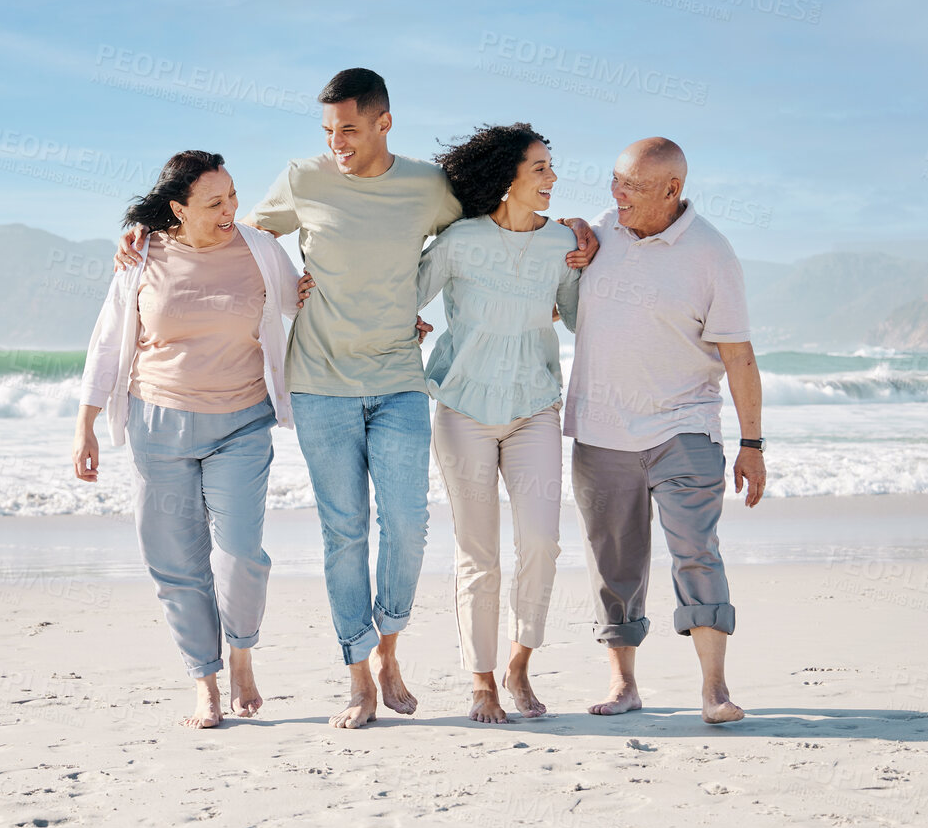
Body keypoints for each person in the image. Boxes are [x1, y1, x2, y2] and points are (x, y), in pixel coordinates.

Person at [117, 69, 598, 729]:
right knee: (343, 534)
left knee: (406, 526)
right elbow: (235, 234)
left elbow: (498, 221)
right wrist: (150, 236)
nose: (336, 142)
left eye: (347, 127)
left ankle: (389, 649)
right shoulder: (304, 178)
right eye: (327, 130)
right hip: (320, 384)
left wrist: (567, 226)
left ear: (382, 123)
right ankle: (357, 677)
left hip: (399, 379)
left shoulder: (426, 188)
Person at [74, 150, 302, 729]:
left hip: (242, 423)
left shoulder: (259, 249)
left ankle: (242, 653)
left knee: (241, 553)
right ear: (178, 208)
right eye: (215, 203)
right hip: (158, 425)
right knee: (175, 564)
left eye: (232, 197)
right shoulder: (141, 255)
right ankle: (205, 680)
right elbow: (107, 340)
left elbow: (305, 303)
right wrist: (86, 423)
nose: (231, 211)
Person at [564, 137, 765, 725]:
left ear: (672, 190)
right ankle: (624, 684)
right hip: (601, 431)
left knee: (696, 553)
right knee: (614, 565)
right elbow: (553, 292)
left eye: (632, 185)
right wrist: (570, 228)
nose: (616, 193)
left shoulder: (711, 254)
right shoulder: (603, 228)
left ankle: (714, 688)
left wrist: (752, 444)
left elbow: (739, 356)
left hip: (684, 427)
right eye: (615, 180)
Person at [419, 124, 580, 723]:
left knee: (541, 541)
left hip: (535, 406)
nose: (552, 178)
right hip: (463, 408)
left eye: (550, 166)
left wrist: (596, 254)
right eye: (539, 168)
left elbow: (582, 316)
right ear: (505, 178)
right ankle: (482, 681)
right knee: (477, 552)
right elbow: (403, 293)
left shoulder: (561, 241)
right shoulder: (459, 241)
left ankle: (520, 663)